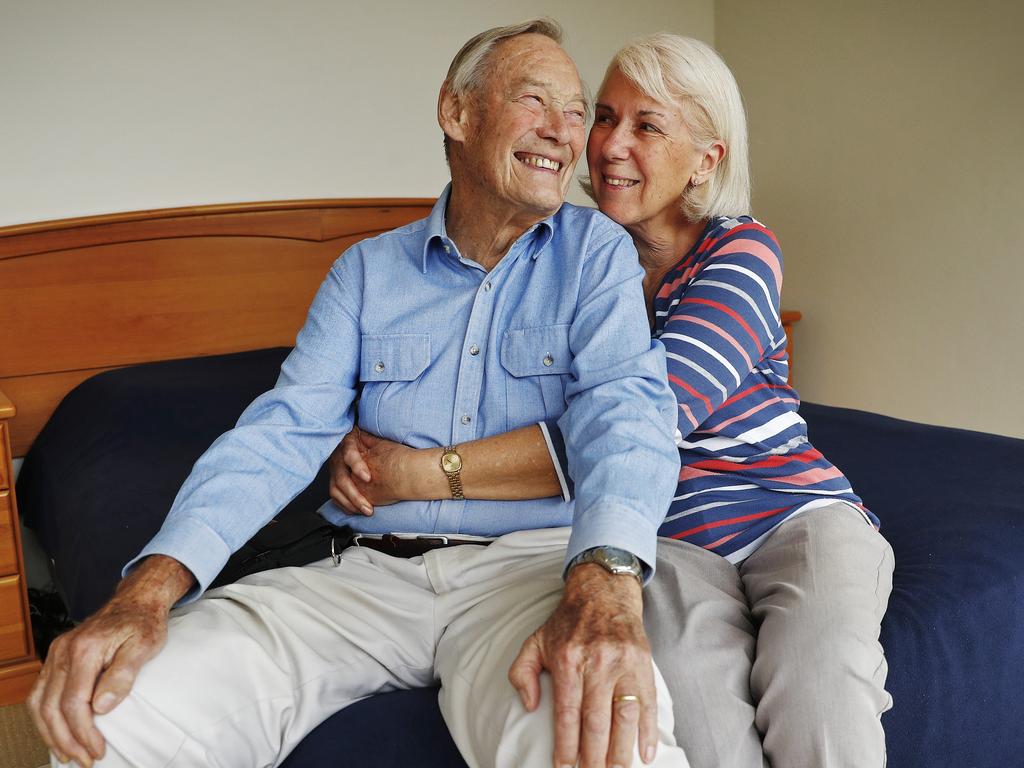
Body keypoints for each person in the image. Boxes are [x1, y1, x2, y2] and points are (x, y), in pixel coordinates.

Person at [27, 20, 694, 768]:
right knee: (122, 708)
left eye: (576, 111)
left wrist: (605, 582)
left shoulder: (596, 251)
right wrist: (147, 591)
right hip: (366, 572)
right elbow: (282, 432)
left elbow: (624, 410)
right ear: (457, 113)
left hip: (527, 572)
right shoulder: (366, 273)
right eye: (534, 100)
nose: (563, 133)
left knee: (603, 735)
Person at [329, 33, 896, 768]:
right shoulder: (562, 263)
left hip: (792, 516)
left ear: (706, 160)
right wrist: (351, 435)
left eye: (647, 126)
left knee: (820, 688)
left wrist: (416, 473)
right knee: (687, 704)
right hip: (668, 544)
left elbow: (642, 423)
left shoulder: (740, 251)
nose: (609, 145)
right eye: (603, 117)